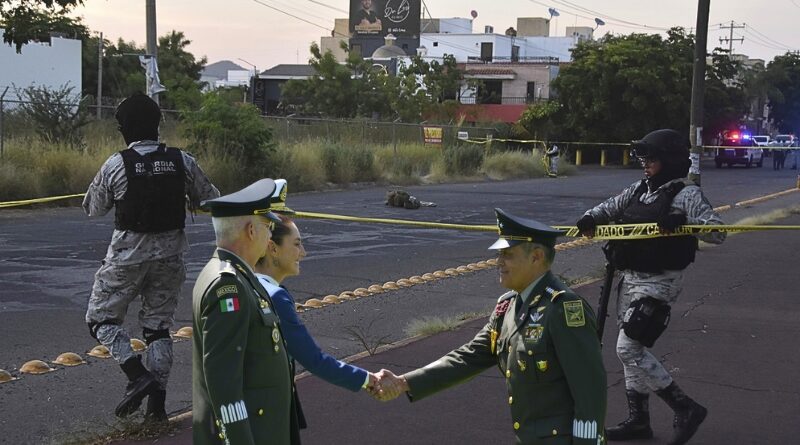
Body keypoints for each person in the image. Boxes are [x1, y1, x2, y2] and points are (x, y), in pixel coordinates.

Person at [377, 208, 607, 445]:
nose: (498, 262)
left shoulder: (563, 308)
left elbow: (590, 391)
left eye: (507, 254)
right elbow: (468, 357)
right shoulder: (507, 307)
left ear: (536, 256)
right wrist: (404, 382)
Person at [575, 129, 725, 445]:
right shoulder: (640, 190)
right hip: (629, 279)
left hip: (660, 283)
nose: (645, 164)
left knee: (627, 347)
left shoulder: (687, 195)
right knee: (632, 351)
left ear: (669, 161)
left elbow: (717, 233)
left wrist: (683, 223)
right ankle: (638, 421)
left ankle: (685, 408)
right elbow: (608, 207)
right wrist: (589, 218)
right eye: (643, 159)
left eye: (651, 159)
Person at [83, 92, 219, 421]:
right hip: (171, 256)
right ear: (157, 126)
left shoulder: (116, 164)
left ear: (125, 129)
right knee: (158, 328)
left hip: (127, 257)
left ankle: (136, 375)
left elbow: (93, 207)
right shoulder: (182, 161)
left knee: (100, 320)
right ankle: (157, 408)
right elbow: (211, 199)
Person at [193, 178, 299, 445]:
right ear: (252, 230)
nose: (269, 236)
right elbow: (223, 383)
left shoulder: (237, 276)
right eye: (268, 227)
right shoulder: (228, 286)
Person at [253, 185, 378, 411]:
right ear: (272, 248)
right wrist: (369, 380)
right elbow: (313, 359)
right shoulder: (275, 297)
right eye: (297, 244)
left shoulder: (244, 283)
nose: (303, 253)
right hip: (268, 414)